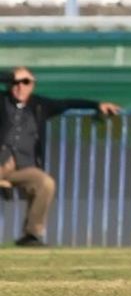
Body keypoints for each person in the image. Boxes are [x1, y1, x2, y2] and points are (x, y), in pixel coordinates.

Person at [0, 66, 121, 247]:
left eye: (25, 82)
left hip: (23, 166)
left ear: (32, 85)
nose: (20, 87)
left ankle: (32, 235)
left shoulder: (40, 105)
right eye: (15, 82)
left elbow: (68, 103)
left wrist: (96, 105)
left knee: (45, 183)